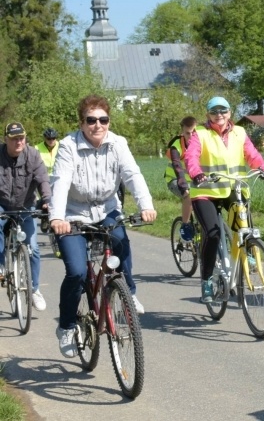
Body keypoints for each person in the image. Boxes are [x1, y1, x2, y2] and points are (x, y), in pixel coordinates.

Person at [49, 95, 157, 358]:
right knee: (76, 271)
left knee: (120, 242)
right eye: (91, 120)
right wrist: (57, 217)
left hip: (107, 209)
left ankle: (128, 293)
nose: (98, 125)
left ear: (108, 121)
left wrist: (146, 205)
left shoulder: (118, 143)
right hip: (73, 214)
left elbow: (132, 174)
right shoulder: (68, 146)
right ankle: (66, 326)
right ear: (82, 122)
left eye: (103, 119)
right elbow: (61, 182)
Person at [184, 96, 264, 303]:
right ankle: (207, 279)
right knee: (213, 234)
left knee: (244, 223)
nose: (219, 115)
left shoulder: (239, 132)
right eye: (214, 111)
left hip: (233, 188)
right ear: (208, 114)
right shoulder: (201, 133)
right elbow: (191, 157)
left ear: (230, 113)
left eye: (223, 111)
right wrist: (196, 173)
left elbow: (252, 155)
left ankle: (247, 252)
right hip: (206, 191)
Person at [0, 122, 51, 311]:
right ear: (6, 139)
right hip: (2, 205)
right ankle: (0, 266)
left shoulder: (32, 155)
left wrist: (46, 199)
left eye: (21, 137)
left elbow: (42, 179)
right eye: (14, 139)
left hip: (25, 206)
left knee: (34, 248)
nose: (18, 141)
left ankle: (35, 289)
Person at [164, 116, 197, 241]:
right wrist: (183, 187)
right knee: (188, 195)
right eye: (187, 133)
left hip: (194, 181)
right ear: (182, 132)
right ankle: (185, 225)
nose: (191, 136)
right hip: (175, 180)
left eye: (194, 132)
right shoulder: (176, 146)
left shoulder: (201, 143)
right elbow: (177, 167)